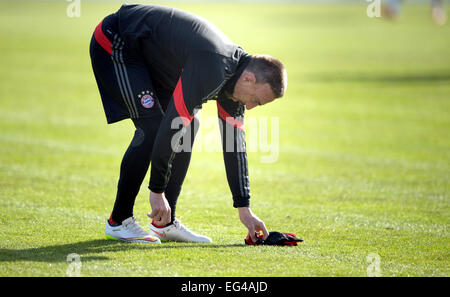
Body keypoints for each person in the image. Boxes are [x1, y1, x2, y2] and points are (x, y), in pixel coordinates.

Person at [89, 3, 287, 244]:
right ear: (249, 78)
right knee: (152, 130)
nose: (251, 107)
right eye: (256, 100)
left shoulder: (235, 82)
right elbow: (173, 124)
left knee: (189, 127)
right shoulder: (213, 66)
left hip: (151, 59)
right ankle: (118, 221)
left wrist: (244, 207)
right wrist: (156, 191)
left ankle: (164, 224)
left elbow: (234, 145)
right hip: (117, 41)